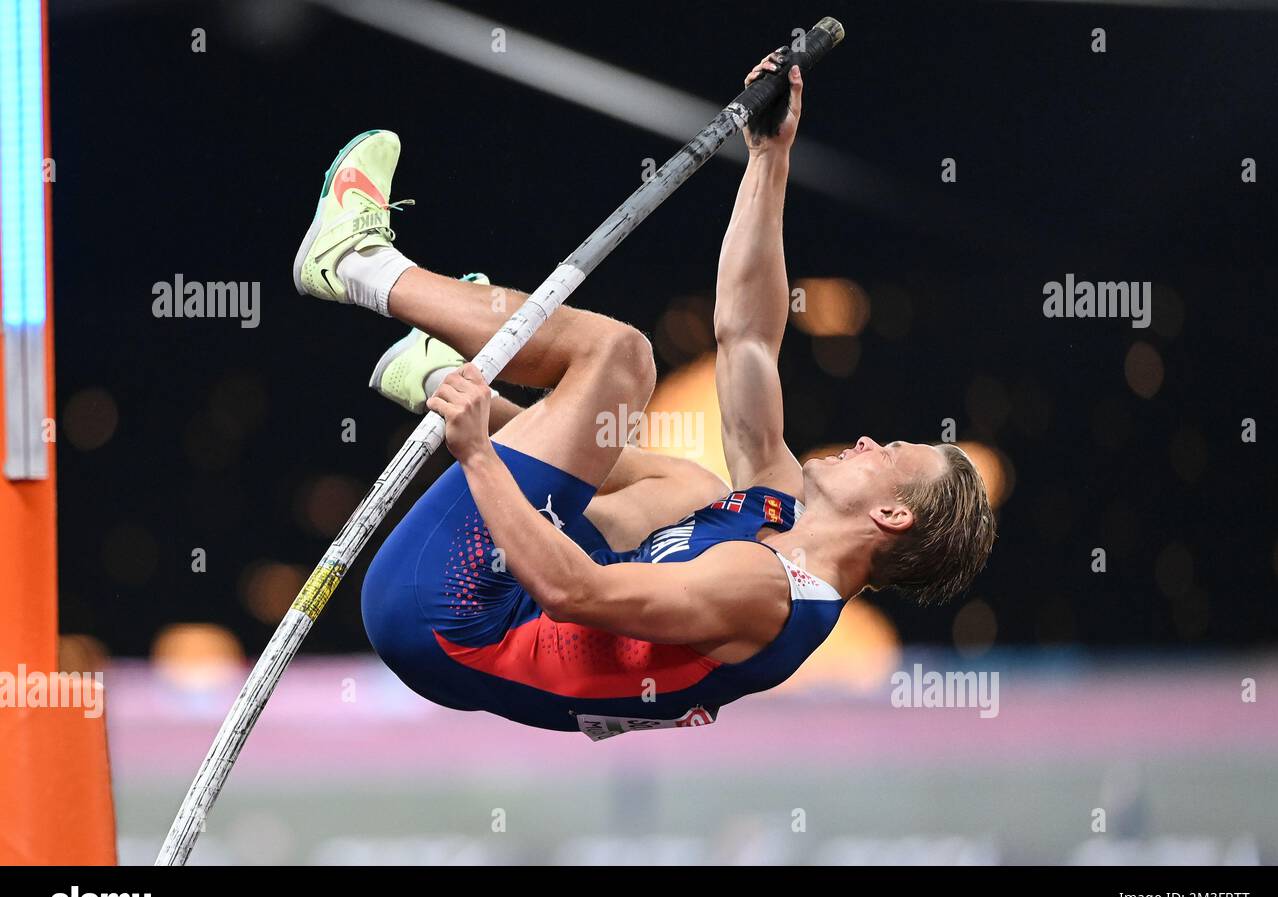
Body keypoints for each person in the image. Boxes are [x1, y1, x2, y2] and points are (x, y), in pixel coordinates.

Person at [293, 52, 995, 739]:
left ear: (892, 513)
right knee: (686, 484)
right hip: (512, 612)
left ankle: (355, 263)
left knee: (620, 358)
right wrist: (769, 156)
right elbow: (748, 337)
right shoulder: (781, 511)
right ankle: (435, 375)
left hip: (447, 618)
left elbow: (573, 593)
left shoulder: (763, 592)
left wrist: (475, 453)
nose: (870, 441)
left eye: (892, 454)